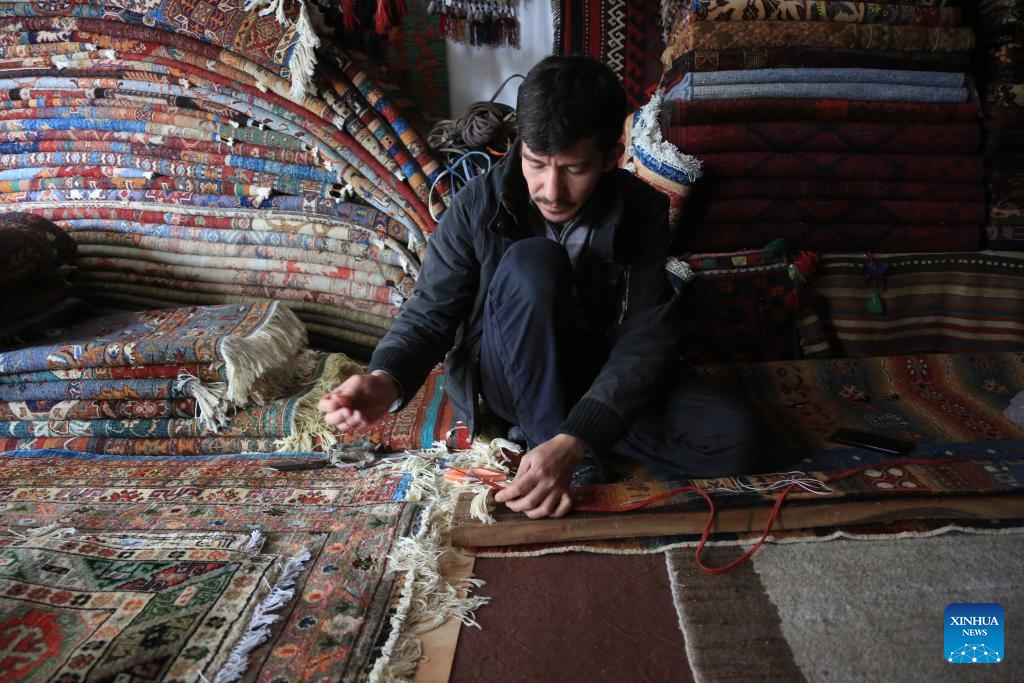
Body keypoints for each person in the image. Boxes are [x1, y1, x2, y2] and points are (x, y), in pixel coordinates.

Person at [319, 55, 758, 519]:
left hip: (593, 370)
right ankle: (552, 439)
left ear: (613, 156)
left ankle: (565, 437)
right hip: (508, 370)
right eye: (536, 164)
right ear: (519, 147)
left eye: (573, 169)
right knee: (534, 261)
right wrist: (384, 381)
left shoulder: (641, 210)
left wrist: (582, 432)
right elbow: (430, 314)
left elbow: (645, 334)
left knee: (733, 439)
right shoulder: (476, 205)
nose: (551, 189)